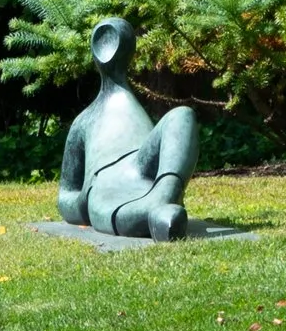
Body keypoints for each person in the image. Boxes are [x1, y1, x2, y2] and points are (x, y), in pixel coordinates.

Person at [57, 17, 195, 242]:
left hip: (144, 165)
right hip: (106, 182)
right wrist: (82, 200)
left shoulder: (128, 104)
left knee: (182, 115)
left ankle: (164, 197)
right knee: (125, 216)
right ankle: (157, 214)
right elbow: (65, 196)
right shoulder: (82, 123)